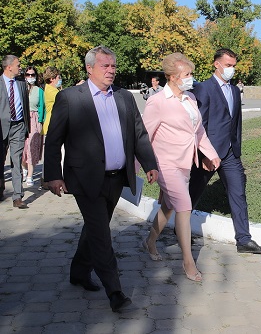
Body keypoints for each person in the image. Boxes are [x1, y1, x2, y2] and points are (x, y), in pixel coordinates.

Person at [44, 46, 158, 313]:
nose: (111, 71)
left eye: (113, 66)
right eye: (105, 66)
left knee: (96, 228)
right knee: (101, 234)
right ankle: (115, 292)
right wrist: (52, 175)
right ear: (89, 68)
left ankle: (79, 272)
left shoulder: (124, 98)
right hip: (84, 178)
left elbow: (139, 134)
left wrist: (150, 164)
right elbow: (54, 139)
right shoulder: (70, 98)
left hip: (116, 178)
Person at [141, 53, 220, 283]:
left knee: (168, 207)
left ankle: (150, 241)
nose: (191, 78)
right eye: (186, 75)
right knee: (184, 206)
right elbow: (144, 135)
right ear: (172, 77)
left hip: (186, 163)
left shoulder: (190, 99)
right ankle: (188, 262)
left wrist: (211, 154)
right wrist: (145, 165)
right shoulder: (157, 102)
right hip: (165, 164)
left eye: (190, 74)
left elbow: (199, 132)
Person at [189, 48, 261, 254]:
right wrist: (204, 154)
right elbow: (199, 124)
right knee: (192, 193)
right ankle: (180, 231)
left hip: (231, 152)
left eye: (233, 66)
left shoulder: (234, 90)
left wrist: (237, 146)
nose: (231, 69)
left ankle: (244, 240)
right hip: (209, 153)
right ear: (216, 64)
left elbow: (236, 122)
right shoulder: (204, 88)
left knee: (238, 193)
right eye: (228, 65)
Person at [1, 55, 30, 207]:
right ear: (9, 67)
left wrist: (27, 127)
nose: (20, 67)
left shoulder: (21, 83)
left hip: (18, 126)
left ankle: (17, 196)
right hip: (1, 127)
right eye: (18, 65)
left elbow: (25, 105)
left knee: (16, 160)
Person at [21, 66, 45, 187]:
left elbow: (41, 106)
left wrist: (40, 121)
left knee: (32, 147)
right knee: (22, 148)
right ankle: (24, 167)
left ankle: (30, 175)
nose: (30, 77)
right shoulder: (21, 88)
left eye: (32, 75)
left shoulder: (39, 90)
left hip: (34, 119)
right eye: (28, 75)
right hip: (22, 119)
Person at [40, 66, 62, 190]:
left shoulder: (49, 89)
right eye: (58, 77)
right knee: (52, 154)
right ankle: (46, 179)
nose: (60, 79)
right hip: (52, 125)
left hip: (50, 125)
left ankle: (46, 178)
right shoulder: (52, 91)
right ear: (53, 78)